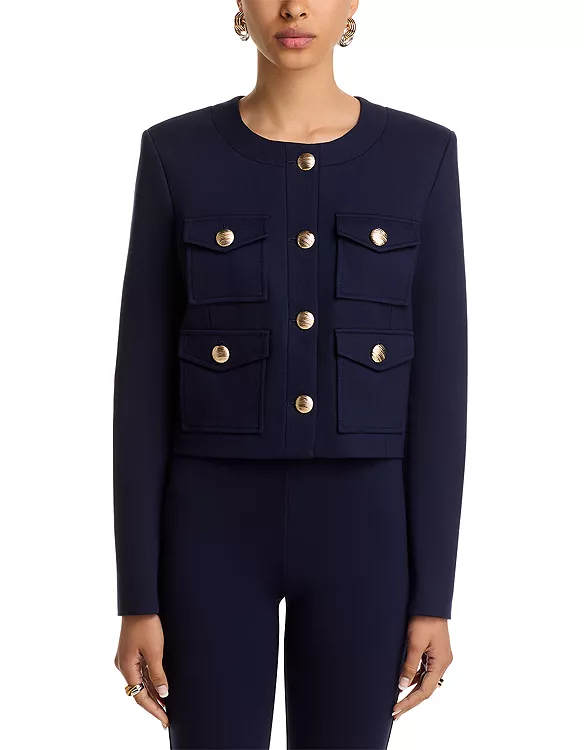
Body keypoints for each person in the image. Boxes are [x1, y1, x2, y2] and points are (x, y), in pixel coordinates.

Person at [112, 1, 468, 748]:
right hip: (209, 529)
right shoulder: (176, 153)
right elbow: (140, 388)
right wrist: (137, 596)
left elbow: (440, 391)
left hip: (365, 534)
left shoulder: (423, 156)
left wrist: (433, 595)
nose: (295, 7)